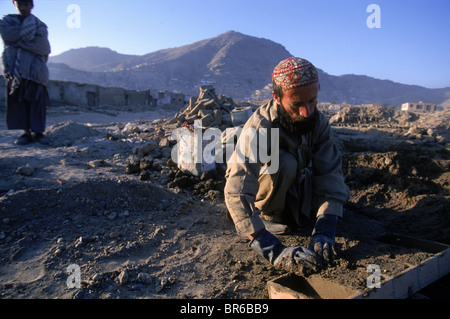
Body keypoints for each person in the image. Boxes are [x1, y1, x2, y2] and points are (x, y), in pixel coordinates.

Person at [224, 57, 350, 275]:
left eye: (312, 101)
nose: (307, 112)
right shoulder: (259, 127)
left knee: (311, 174)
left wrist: (326, 228)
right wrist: (271, 248)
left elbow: (330, 173)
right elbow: (236, 189)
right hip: (267, 194)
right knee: (283, 162)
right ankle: (269, 217)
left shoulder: (318, 122)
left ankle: (301, 214)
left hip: (297, 187)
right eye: (297, 105)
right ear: (277, 97)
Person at [0, 0, 51, 145]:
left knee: (36, 103)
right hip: (15, 71)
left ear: (32, 5)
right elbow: (7, 36)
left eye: (27, 4)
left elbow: (43, 47)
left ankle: (38, 133)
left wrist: (17, 42)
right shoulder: (6, 22)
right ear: (14, 4)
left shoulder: (39, 25)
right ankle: (25, 133)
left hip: (35, 71)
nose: (24, 7)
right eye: (20, 4)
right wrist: (28, 41)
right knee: (18, 102)